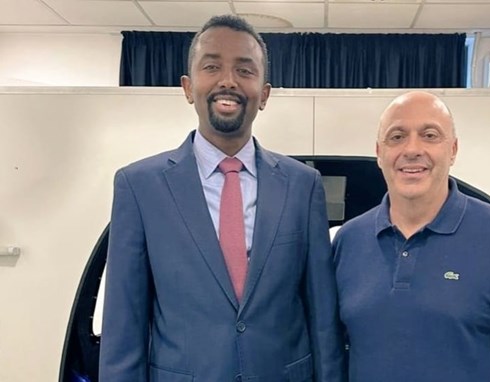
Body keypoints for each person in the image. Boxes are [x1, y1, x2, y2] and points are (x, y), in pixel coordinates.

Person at [99, 15, 345, 382]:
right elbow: (124, 326)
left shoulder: (302, 185)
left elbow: (322, 318)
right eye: (212, 66)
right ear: (187, 86)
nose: (228, 81)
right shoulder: (139, 187)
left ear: (263, 94)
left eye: (245, 70)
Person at [332, 91, 490, 381]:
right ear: (379, 152)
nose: (412, 149)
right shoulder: (348, 242)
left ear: (453, 149)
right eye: (397, 136)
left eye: (430, 135)